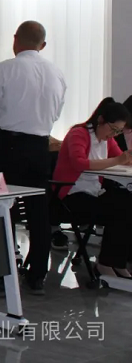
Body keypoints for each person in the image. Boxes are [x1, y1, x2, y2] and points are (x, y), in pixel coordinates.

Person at [0, 21, 67, 295]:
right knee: (38, 210)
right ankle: (37, 275)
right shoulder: (56, 73)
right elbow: (56, 113)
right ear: (43, 44)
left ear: (15, 39)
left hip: (9, 144)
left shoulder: (6, 68)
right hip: (40, 146)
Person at [53, 98, 132, 277]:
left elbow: (121, 158)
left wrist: (126, 158)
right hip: (72, 194)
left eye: (118, 131)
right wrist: (117, 160)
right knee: (118, 211)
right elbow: (79, 163)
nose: (113, 135)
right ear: (101, 120)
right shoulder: (79, 134)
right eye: (113, 129)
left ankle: (117, 263)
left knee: (127, 203)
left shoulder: (107, 139)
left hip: (94, 192)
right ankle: (105, 264)